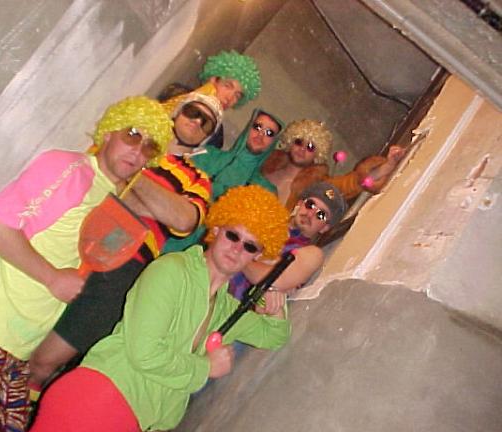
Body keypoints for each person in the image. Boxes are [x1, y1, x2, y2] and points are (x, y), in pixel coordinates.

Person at [0, 96, 173, 432]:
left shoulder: (106, 197)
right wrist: (51, 277)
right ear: (109, 132)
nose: (137, 150)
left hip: (17, 353)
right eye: (132, 134)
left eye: (149, 146)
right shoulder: (69, 169)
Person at [18, 185, 291, 432]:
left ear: (258, 255)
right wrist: (205, 368)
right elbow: (144, 352)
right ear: (217, 230)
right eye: (233, 235)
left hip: (125, 419)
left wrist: (272, 299)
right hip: (97, 400)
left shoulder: (224, 308)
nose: (237, 249)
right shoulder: (171, 271)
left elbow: (274, 335)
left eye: (250, 246)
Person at [27, 93, 223, 395]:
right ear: (177, 111)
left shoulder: (197, 178)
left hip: (125, 266)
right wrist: (155, 204)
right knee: (19, 338)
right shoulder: (130, 137)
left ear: (208, 137)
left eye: (206, 122)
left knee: (44, 362)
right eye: (193, 112)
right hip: (72, 239)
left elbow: (184, 220)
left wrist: (132, 173)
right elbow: (95, 180)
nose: (197, 121)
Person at [161, 108, 283, 254]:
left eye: (269, 133)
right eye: (257, 127)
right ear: (248, 127)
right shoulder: (207, 155)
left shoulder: (265, 191)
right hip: (165, 233)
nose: (260, 134)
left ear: (274, 142)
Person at [229, 181, 348, 301]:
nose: (310, 214)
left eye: (321, 215)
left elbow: (271, 281)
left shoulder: (311, 254)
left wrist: (238, 254)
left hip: (232, 303)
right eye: (310, 204)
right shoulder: (264, 220)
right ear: (300, 204)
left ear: (325, 228)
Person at [262, 119, 407, 210]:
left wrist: (388, 165)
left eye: (311, 147)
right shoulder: (265, 162)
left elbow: (351, 183)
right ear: (290, 141)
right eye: (299, 142)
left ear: (318, 154)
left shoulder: (316, 184)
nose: (302, 149)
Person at [161, 50, 262, 148]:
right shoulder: (177, 94)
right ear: (213, 80)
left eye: (237, 95)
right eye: (227, 86)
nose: (229, 98)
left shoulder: (216, 135)